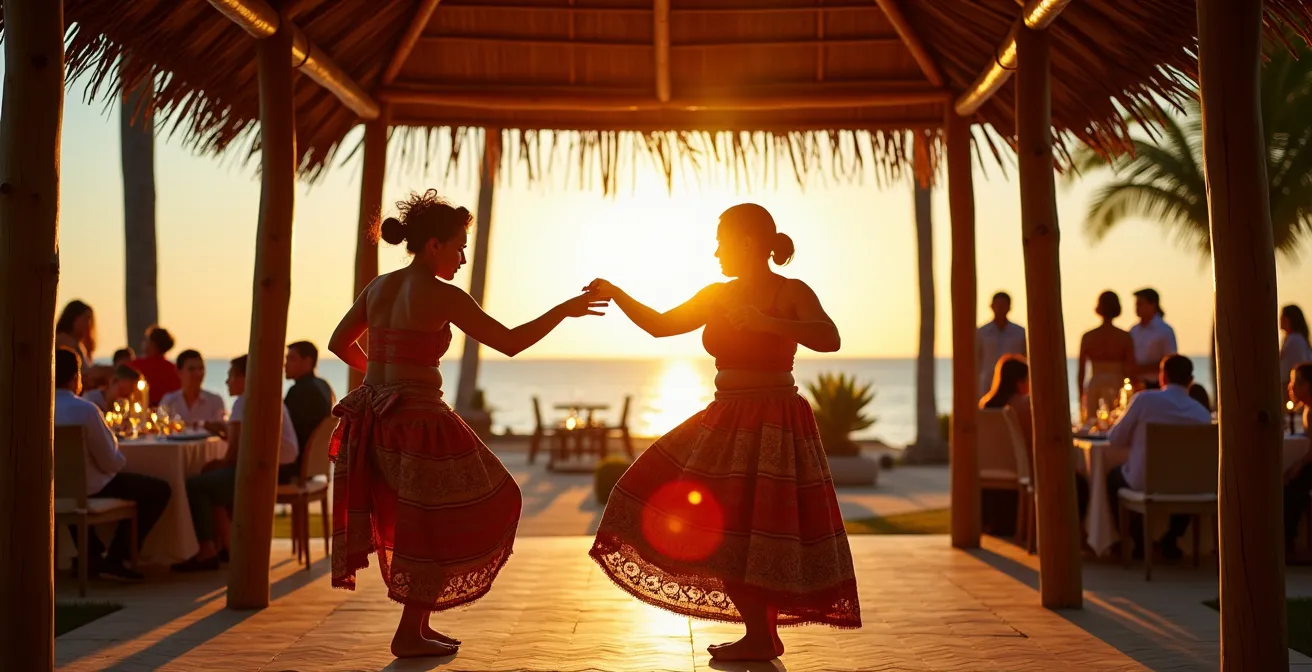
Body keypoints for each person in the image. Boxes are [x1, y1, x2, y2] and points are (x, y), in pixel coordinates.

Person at [326, 189, 605, 658]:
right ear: (433, 245)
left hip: (374, 420)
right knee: (484, 502)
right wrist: (563, 310)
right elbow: (510, 343)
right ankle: (410, 630)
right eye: (457, 247)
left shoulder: (378, 287)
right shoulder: (442, 295)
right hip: (418, 423)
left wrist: (382, 378)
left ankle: (416, 626)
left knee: (422, 522)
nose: (462, 257)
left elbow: (339, 343)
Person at [586, 203, 861, 663]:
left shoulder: (790, 291)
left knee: (761, 526)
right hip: (725, 417)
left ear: (748, 243)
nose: (715, 252)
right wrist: (617, 292)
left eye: (721, 241)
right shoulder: (716, 294)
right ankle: (761, 635)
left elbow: (829, 336)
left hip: (775, 422)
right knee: (712, 520)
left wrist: (768, 321)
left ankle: (761, 636)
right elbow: (660, 326)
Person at [171, 355, 299, 572]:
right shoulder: (268, 396)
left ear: (245, 377)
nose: (227, 382)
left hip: (262, 471)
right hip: (277, 467)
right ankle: (230, 547)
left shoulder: (244, 400)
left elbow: (233, 455)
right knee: (211, 483)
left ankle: (206, 550)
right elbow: (247, 440)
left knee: (197, 485)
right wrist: (224, 431)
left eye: (231, 376)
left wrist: (215, 464)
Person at [54, 347, 171, 582]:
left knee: (75, 487)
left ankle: (91, 554)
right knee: (159, 490)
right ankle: (117, 557)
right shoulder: (85, 410)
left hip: (51, 490)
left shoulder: (34, 408)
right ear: (75, 377)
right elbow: (111, 462)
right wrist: (118, 456)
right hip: (88, 489)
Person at [1104, 355, 1211, 559]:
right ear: (1190, 380)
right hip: (1188, 486)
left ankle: (1137, 542)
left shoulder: (1144, 400)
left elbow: (1115, 439)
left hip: (1144, 483)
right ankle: (1171, 539)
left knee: (1113, 478)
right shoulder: (1202, 414)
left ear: (1163, 377)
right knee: (1186, 485)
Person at [978, 355, 1034, 536]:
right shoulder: (1022, 406)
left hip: (987, 473)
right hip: (1020, 471)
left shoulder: (984, 405)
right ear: (1020, 382)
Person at [1077, 291, 1137, 420]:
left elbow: (1081, 371)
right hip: (1117, 383)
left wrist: (1080, 397)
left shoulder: (1088, 337)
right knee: (1117, 421)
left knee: (1091, 424)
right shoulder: (1124, 337)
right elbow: (1131, 369)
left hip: (1094, 383)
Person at [283, 341, 335, 466]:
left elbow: (283, 431)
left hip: (293, 464)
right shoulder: (324, 386)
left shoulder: (300, 391)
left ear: (307, 361)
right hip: (315, 465)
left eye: (292, 359)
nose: (285, 364)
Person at [976, 292, 1027, 397]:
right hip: (987, 384)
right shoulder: (982, 332)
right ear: (991, 306)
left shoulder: (1020, 332)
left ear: (1009, 307)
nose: (1000, 309)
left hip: (1013, 385)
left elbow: (1025, 357)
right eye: (998, 305)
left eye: (1003, 305)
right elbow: (976, 358)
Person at [1284, 363, 1312, 556]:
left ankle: (1286, 542)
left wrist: (1299, 465)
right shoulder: (1307, 410)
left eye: (1298, 382)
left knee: (1291, 488)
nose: (1291, 387)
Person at [159, 350, 226, 426]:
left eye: (201, 368)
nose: (198, 373)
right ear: (178, 372)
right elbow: (161, 430)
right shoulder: (169, 401)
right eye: (191, 369)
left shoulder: (215, 401)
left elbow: (220, 431)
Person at [1129, 289, 1178, 390]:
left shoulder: (1164, 330)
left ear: (1152, 305)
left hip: (1157, 384)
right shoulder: (1133, 330)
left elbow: (1172, 361)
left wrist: (1143, 369)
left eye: (1140, 304)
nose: (1136, 308)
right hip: (1136, 384)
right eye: (1136, 304)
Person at [131, 326, 182, 406]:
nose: (143, 343)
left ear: (152, 344)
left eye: (146, 340)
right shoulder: (176, 370)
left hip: (142, 415)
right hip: (169, 415)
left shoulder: (135, 366)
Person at [1281, 305, 1312, 401]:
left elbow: (1298, 368)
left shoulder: (1295, 340)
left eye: (1282, 317)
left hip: (1293, 390)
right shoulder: (1294, 339)